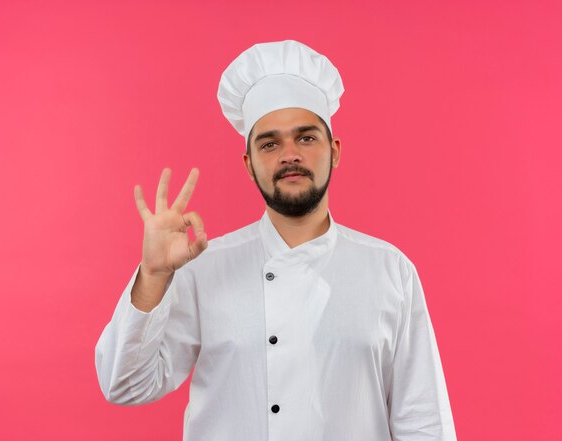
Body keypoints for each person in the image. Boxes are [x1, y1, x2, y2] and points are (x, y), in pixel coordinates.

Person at [95, 40, 457, 441]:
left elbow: (423, 422)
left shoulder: (391, 270)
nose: (289, 155)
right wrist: (154, 275)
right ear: (249, 165)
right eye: (269, 144)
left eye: (306, 138)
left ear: (334, 151)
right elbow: (125, 385)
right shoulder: (205, 266)